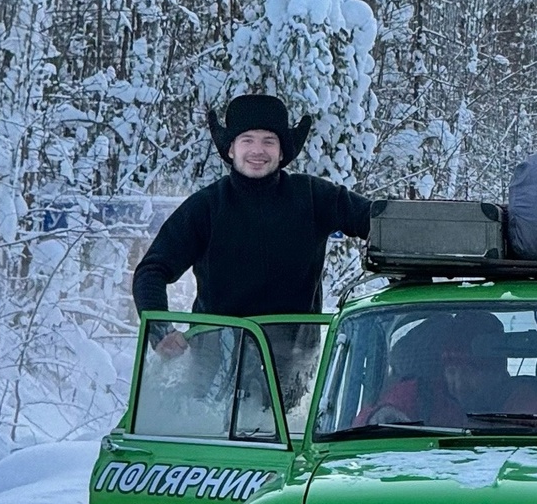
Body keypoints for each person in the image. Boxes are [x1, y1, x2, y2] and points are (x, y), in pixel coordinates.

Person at [133, 94, 372, 350]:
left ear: (282, 152)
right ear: (231, 148)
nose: (258, 150)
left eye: (269, 141)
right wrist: (161, 334)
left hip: (296, 367)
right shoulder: (206, 207)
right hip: (218, 367)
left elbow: (376, 219)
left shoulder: (314, 197)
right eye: (247, 140)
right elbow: (151, 271)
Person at [360, 310, 537, 429]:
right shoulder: (422, 393)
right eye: (452, 371)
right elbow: (360, 426)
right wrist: (378, 416)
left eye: (470, 371)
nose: (459, 383)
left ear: (497, 373)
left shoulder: (532, 411)